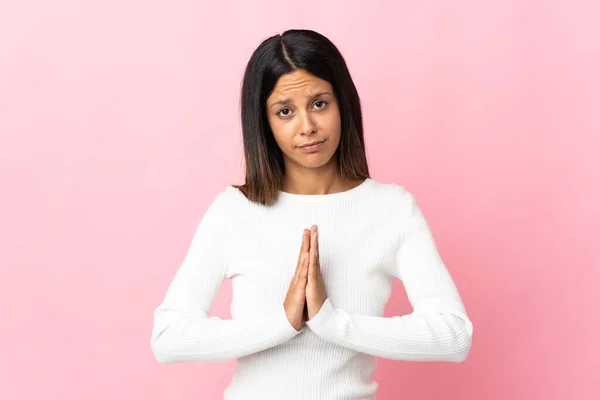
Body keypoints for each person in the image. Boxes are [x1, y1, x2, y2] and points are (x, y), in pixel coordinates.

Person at [151, 29, 473, 399]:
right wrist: (282, 324)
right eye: (285, 111)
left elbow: (454, 335)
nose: (307, 127)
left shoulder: (391, 209)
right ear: (264, 121)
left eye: (319, 103)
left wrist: (332, 324)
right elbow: (168, 338)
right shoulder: (235, 211)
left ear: (343, 103)